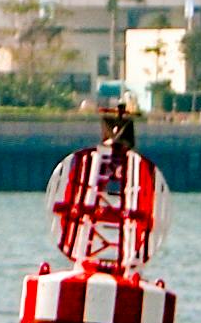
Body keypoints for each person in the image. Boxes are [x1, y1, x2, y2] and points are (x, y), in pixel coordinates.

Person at [45, 93, 168, 277]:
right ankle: (121, 260)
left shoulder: (96, 161)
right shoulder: (117, 163)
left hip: (109, 194)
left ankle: (101, 256)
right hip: (115, 204)